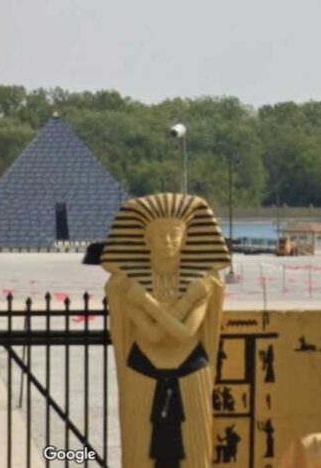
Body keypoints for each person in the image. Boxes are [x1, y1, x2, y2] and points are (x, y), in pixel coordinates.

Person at [102, 193, 231, 467]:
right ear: (146, 240)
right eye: (160, 235)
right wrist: (187, 301)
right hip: (143, 366)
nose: (168, 241)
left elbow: (186, 333)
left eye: (174, 234)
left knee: (195, 454)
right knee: (138, 454)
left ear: (186, 239)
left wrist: (144, 300)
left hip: (191, 367)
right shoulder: (125, 285)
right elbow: (154, 335)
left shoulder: (206, 283)